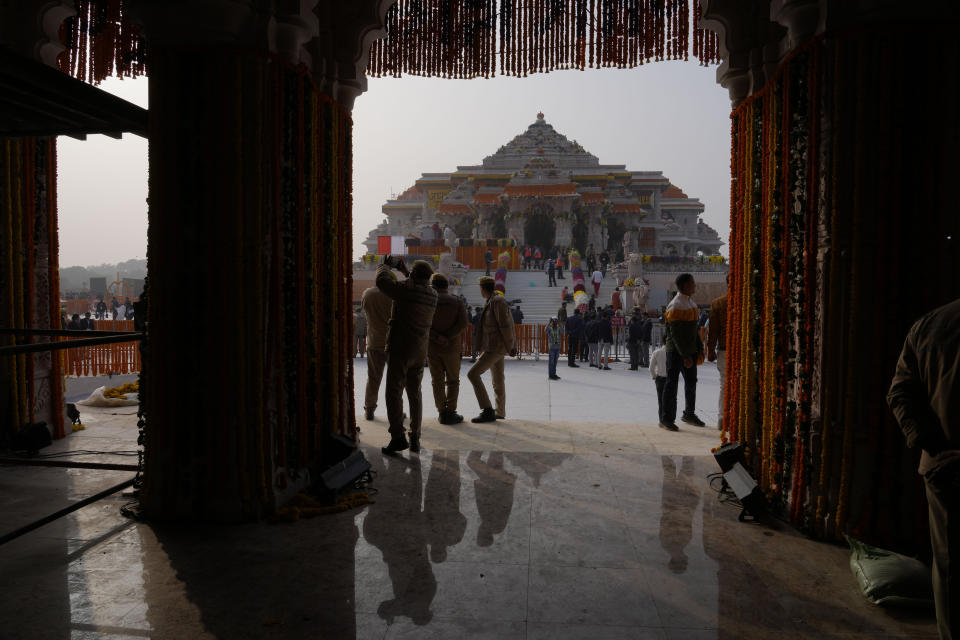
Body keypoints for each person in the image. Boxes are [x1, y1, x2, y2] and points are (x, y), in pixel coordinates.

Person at [887, 298, 960, 640]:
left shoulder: (931, 324)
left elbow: (900, 393)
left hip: (944, 468)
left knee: (947, 566)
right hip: (945, 464)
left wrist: (934, 446)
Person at [376, 256, 438, 454]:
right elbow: (415, 284)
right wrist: (406, 271)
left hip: (400, 348)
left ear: (415, 276)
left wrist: (384, 266)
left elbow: (383, 282)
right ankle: (415, 438)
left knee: (393, 392)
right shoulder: (432, 295)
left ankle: (397, 436)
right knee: (415, 394)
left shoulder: (406, 291)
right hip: (420, 350)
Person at [468, 276, 516, 422]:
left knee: (473, 374)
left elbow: (506, 326)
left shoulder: (497, 302)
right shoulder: (491, 301)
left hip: (495, 348)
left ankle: (487, 409)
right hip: (494, 346)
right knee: (498, 380)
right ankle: (499, 411)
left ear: (482, 288)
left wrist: (511, 346)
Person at [661, 273, 705, 431]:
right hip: (676, 351)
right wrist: (685, 355)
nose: (695, 286)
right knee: (672, 384)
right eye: (693, 283)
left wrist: (699, 348)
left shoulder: (691, 303)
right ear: (685, 286)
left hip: (690, 350)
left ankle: (689, 413)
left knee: (691, 382)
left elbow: (695, 331)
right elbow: (675, 335)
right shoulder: (676, 305)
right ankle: (666, 418)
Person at [427, 273, 468, 425]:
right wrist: (448, 336)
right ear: (446, 286)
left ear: (433, 286)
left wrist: (437, 337)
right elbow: (463, 323)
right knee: (453, 380)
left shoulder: (428, 301)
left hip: (432, 347)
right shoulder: (456, 301)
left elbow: (423, 323)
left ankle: (441, 412)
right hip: (451, 347)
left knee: (437, 380)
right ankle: (451, 411)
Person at [361, 274, 394, 421]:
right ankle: (394, 411)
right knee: (395, 380)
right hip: (392, 342)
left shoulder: (368, 294)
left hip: (374, 341)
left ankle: (369, 409)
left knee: (373, 378)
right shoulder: (393, 296)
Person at [707, 282, 729, 430]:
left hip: (724, 349)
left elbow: (713, 331)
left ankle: (722, 418)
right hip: (744, 351)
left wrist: (710, 350)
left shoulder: (719, 303)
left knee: (725, 384)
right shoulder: (748, 302)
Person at [650, 344, 668, 427]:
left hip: (660, 379)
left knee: (661, 401)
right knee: (670, 400)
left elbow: (651, 368)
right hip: (670, 379)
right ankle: (669, 420)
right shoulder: (673, 353)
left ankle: (661, 420)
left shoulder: (657, 352)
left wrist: (654, 376)